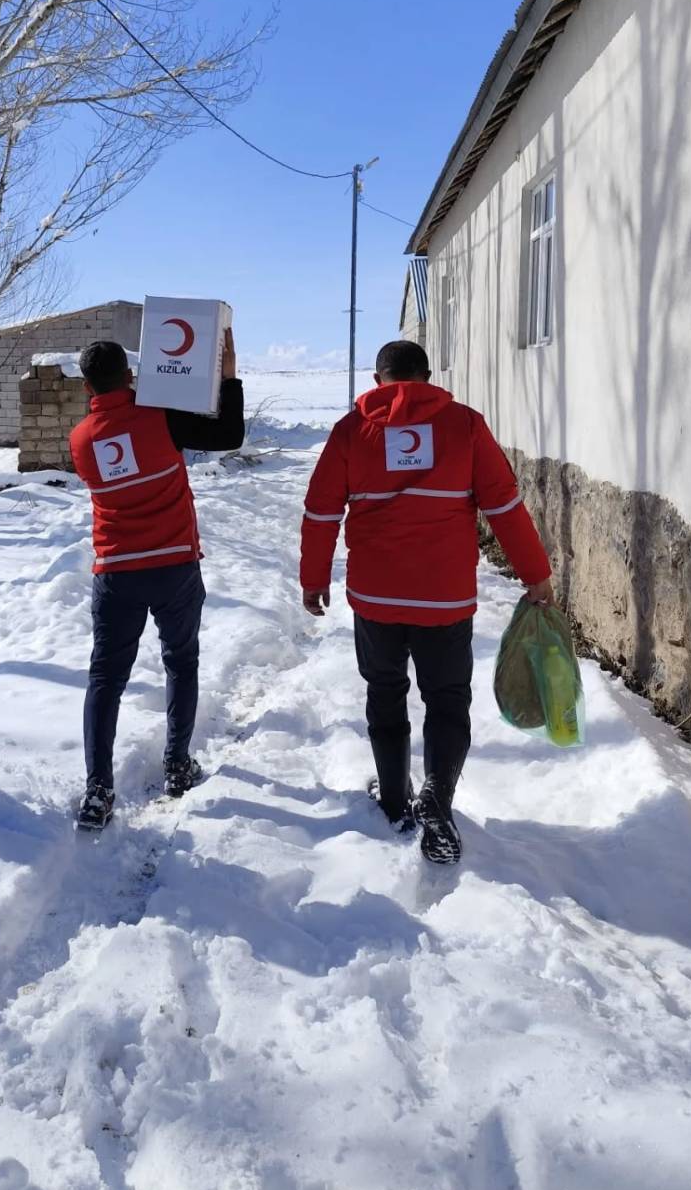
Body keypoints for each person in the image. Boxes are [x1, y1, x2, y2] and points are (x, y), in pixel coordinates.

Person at [300, 340, 552, 864]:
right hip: (445, 598)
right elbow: (504, 504)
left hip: (377, 597)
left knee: (385, 692)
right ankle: (437, 795)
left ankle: (395, 800)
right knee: (447, 699)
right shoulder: (464, 425)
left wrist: (314, 577)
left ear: (377, 380)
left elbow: (322, 511)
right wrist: (536, 576)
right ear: (428, 377)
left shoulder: (352, 431)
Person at [69, 329, 244, 831]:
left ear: (86, 389)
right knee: (180, 662)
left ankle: (98, 789)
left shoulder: (81, 440)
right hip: (172, 566)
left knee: (105, 678)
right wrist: (225, 376)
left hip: (116, 571)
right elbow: (228, 435)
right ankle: (176, 764)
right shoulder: (160, 416)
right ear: (130, 376)